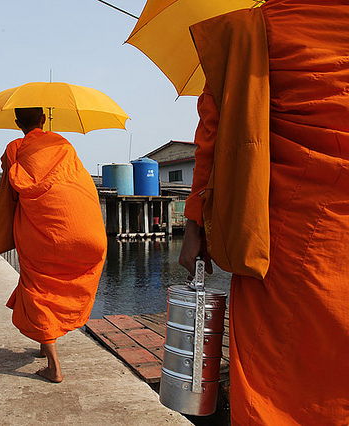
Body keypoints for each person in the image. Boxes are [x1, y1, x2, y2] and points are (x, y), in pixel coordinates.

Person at [179, 1, 349, 424]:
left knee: (277, 381)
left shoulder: (250, 32)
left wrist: (196, 225)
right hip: (323, 233)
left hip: (285, 239)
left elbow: (212, 143)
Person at [0, 107, 107, 383]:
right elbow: (79, 183)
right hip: (80, 228)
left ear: (17, 122)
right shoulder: (63, 145)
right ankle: (45, 346)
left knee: (38, 286)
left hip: (41, 230)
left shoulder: (14, 149)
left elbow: (12, 191)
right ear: (43, 119)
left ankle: (54, 367)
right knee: (51, 283)